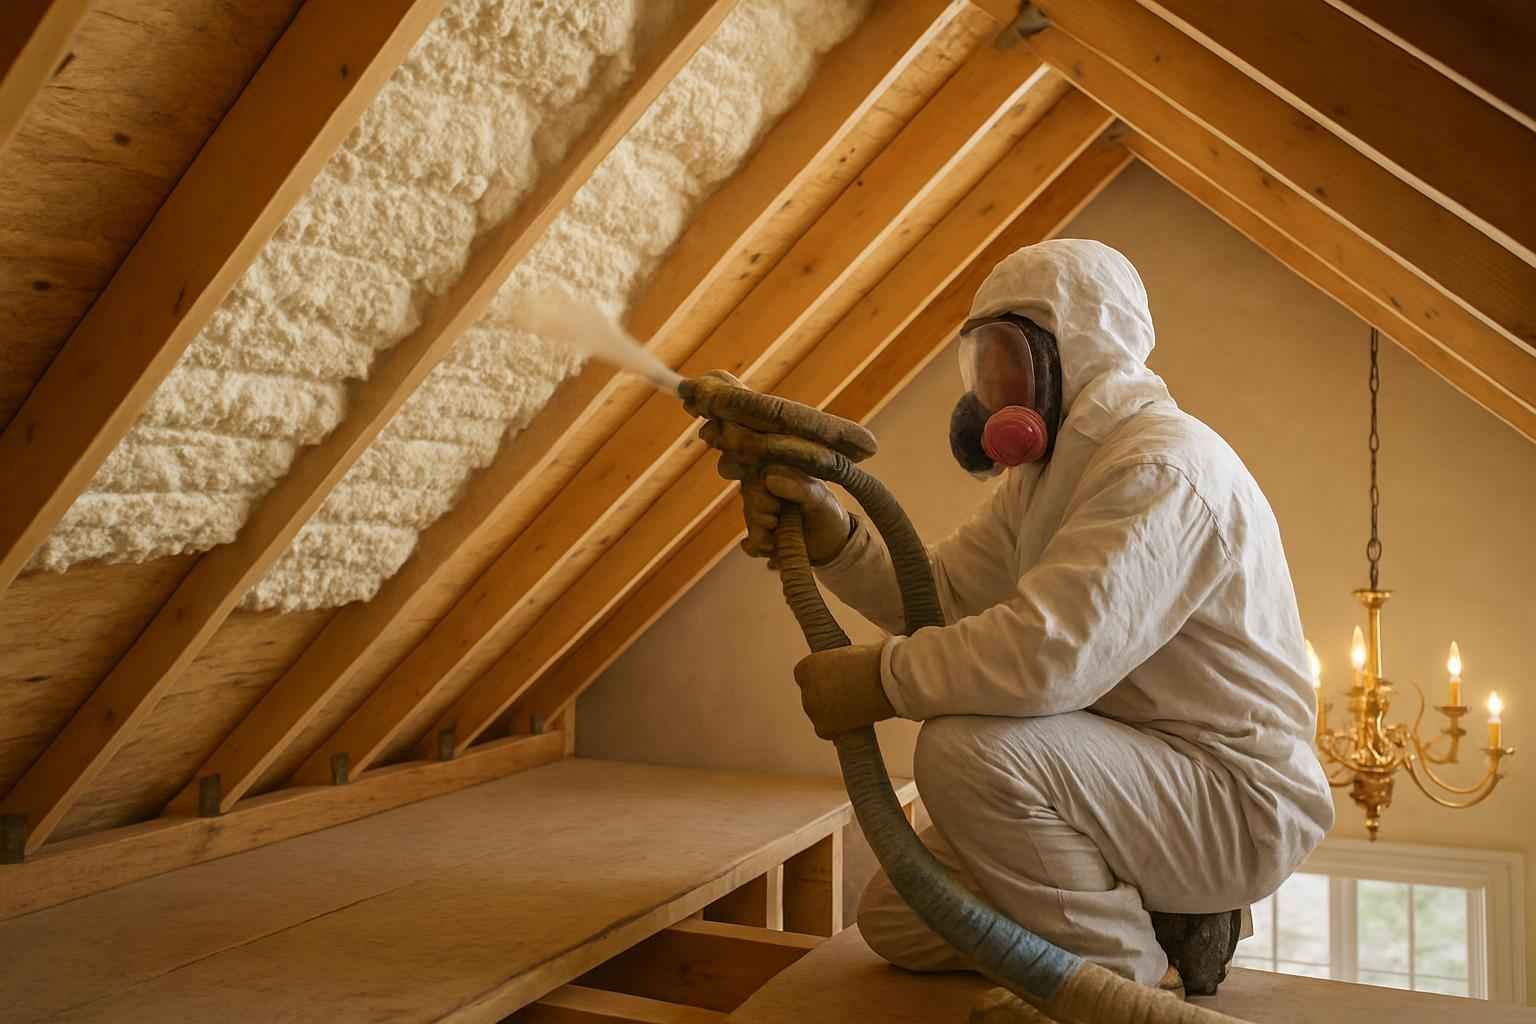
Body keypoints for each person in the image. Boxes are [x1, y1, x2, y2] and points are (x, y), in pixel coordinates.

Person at [699, 239, 1334, 993]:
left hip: (1228, 798)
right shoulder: (1050, 479)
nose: (989, 389)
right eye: (981, 362)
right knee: (899, 915)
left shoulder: (1161, 469)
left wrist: (879, 679)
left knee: (963, 748)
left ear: (1074, 348)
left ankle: (1113, 974)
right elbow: (940, 598)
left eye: (1005, 356)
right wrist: (835, 536)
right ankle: (1170, 922)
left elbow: (1045, 658)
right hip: (1130, 779)